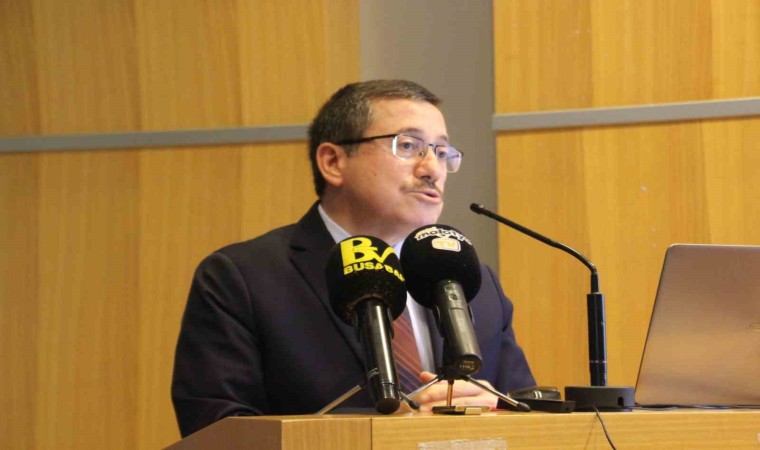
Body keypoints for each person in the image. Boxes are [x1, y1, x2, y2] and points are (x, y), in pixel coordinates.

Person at [171, 80, 535, 437]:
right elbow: (217, 431)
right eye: (409, 145)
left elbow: (530, 413)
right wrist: (393, 431)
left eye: (442, 152)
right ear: (333, 162)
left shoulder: (473, 282)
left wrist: (497, 409)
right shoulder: (243, 278)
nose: (433, 170)